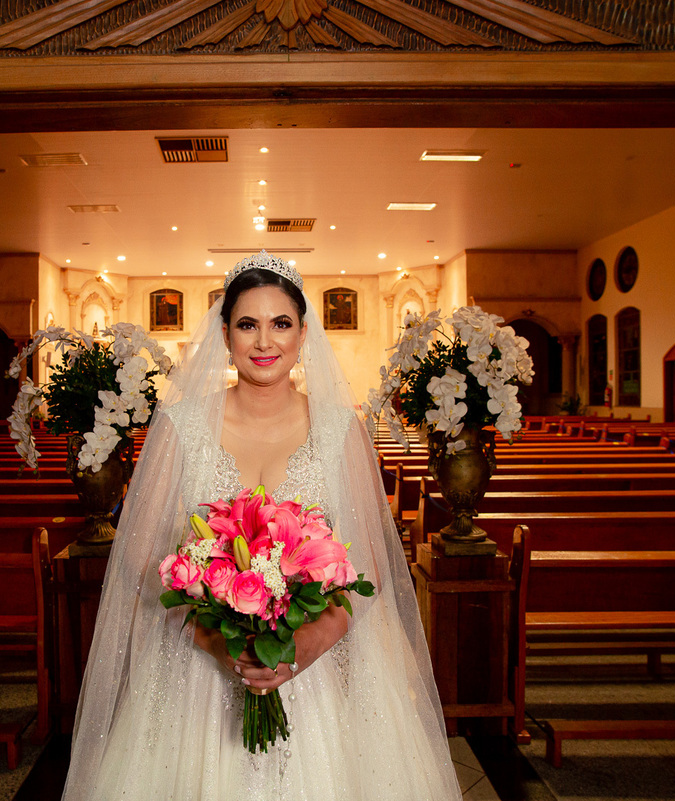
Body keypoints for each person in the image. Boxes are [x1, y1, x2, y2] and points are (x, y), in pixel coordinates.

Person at [62, 252, 463, 800]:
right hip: (198, 672)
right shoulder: (180, 428)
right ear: (225, 334)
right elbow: (140, 561)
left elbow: (368, 563)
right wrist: (216, 640)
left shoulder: (341, 430)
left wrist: (309, 643)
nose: (264, 342)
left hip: (316, 672)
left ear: (303, 334)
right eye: (248, 324)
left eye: (281, 324)